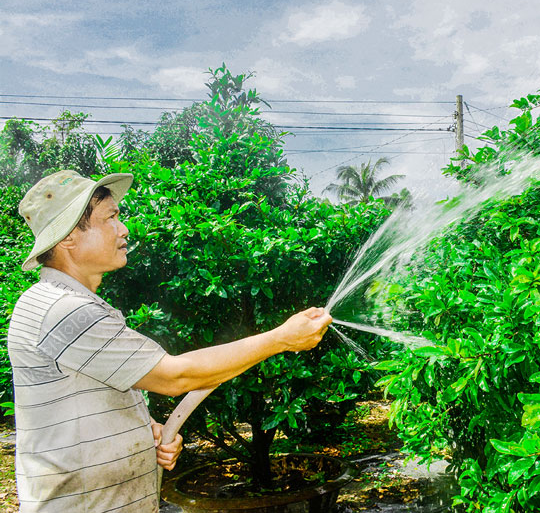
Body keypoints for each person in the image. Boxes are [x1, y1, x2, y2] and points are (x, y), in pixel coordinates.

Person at [7, 170, 332, 513]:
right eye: (111, 218)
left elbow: (80, 402)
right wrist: (281, 339)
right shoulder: (64, 310)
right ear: (70, 237)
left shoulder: (67, 304)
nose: (124, 228)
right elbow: (175, 376)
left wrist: (140, 432)